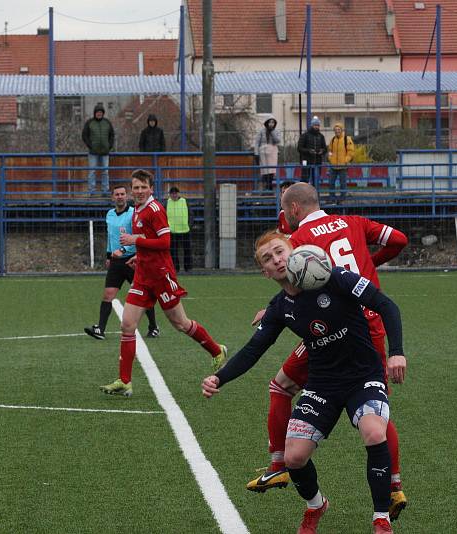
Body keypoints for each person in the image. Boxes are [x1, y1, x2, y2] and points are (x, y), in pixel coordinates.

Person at [202, 231, 407, 534]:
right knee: (294, 458)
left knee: (374, 431)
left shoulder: (335, 277)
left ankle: (381, 519)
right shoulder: (279, 307)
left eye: (279, 251)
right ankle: (316, 505)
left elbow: (386, 305)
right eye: (268, 259)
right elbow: (253, 350)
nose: (276, 259)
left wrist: (397, 353)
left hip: (363, 376)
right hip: (322, 383)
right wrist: (220, 377)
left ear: (293, 250)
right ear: (265, 272)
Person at [246, 182, 410, 522]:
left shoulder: (298, 241)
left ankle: (279, 464)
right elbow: (399, 240)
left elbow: (292, 281)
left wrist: (273, 309)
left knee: (280, 385)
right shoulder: (353, 221)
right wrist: (369, 265)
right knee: (377, 408)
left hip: (335, 322)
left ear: (292, 210)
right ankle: (393, 485)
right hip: (372, 322)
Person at [99, 169, 227, 397]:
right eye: (135, 188)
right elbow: (149, 243)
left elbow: (165, 242)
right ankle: (124, 381)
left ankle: (217, 350)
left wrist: (136, 240)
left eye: (142, 187)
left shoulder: (155, 209)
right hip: (143, 275)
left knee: (181, 324)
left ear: (151, 188)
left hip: (161, 275)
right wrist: (138, 255)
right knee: (127, 325)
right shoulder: (137, 210)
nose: (138, 191)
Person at [84, 185, 159, 341]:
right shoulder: (109, 214)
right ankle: (101, 330)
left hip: (133, 261)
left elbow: (139, 237)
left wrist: (123, 251)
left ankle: (153, 327)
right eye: (117, 194)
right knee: (108, 295)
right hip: (116, 261)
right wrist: (108, 255)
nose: (120, 196)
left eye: (122, 194)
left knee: (143, 295)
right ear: (112, 197)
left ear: (127, 196)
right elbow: (110, 237)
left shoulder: (134, 214)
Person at [82, 104, 115, 194]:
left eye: (100, 112)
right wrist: (90, 145)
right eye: (97, 112)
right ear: (95, 113)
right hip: (93, 152)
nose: (99, 114)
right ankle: (92, 191)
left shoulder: (107, 123)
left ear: (103, 113)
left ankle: (105, 190)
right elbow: (84, 135)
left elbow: (112, 135)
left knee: (105, 172)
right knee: (92, 172)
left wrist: (109, 146)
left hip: (105, 152)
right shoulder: (89, 123)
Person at [167, 186, 192, 272]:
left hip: (185, 230)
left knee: (187, 250)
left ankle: (188, 268)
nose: (174, 195)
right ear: (170, 195)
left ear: (179, 194)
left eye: (175, 193)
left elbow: (191, 214)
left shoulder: (185, 202)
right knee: (173, 252)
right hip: (172, 231)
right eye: (172, 193)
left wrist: (190, 225)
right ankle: (175, 268)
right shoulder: (166, 203)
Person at [327, 122, 354, 202]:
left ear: (341, 130)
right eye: (335, 130)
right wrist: (330, 159)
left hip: (343, 166)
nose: (337, 131)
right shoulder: (332, 140)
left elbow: (351, 152)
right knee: (331, 183)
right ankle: (332, 198)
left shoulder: (347, 139)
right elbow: (330, 151)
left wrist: (345, 160)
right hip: (333, 166)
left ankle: (343, 198)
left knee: (343, 183)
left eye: (338, 129)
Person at [297, 116, 326, 187]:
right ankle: (303, 194)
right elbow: (299, 148)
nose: (316, 127)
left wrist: (322, 151)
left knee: (316, 180)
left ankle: (315, 195)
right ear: (312, 125)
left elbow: (325, 148)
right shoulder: (305, 135)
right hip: (307, 161)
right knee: (304, 180)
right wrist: (309, 151)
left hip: (317, 162)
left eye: (318, 125)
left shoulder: (321, 136)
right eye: (315, 125)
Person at [254, 115, 281, 191]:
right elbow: (257, 143)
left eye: (273, 122)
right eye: (270, 122)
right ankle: (266, 187)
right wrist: (256, 153)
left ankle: (270, 186)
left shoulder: (276, 131)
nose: (271, 124)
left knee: (272, 170)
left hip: (272, 153)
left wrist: (272, 132)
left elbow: (278, 141)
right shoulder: (261, 131)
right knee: (265, 170)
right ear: (266, 123)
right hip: (263, 153)